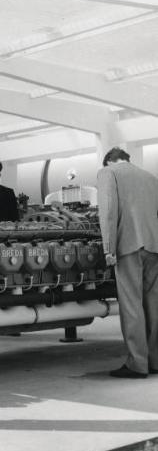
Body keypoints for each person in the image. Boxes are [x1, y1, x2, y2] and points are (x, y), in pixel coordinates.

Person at [97, 146, 158, 379]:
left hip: (128, 246)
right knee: (153, 304)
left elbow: (109, 212)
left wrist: (108, 249)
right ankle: (155, 360)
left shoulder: (108, 173)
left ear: (109, 161)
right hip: (154, 246)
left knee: (131, 304)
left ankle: (136, 364)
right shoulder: (151, 177)